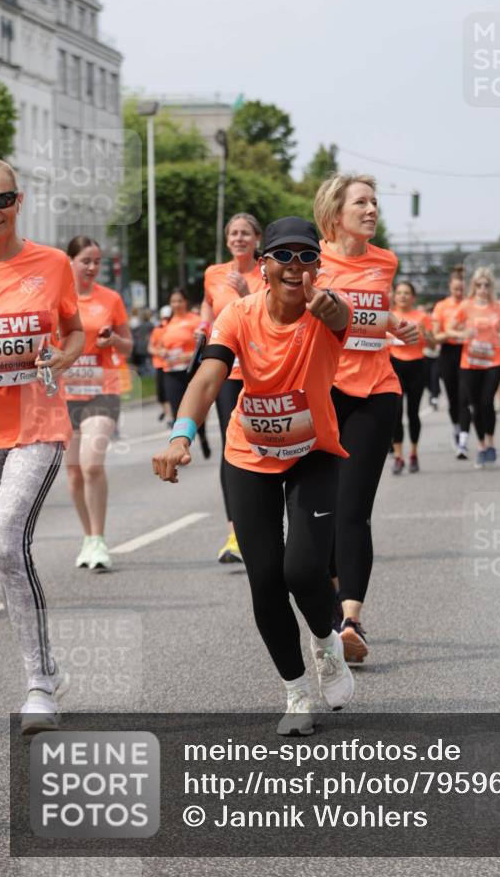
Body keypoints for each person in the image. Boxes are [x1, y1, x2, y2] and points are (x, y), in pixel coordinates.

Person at [153, 218, 354, 736]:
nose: (295, 267)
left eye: (307, 257)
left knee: (304, 571)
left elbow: (338, 313)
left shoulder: (326, 311)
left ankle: (328, 643)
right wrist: (181, 434)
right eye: (283, 255)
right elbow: (208, 375)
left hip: (313, 452)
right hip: (249, 454)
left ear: (319, 266)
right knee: (264, 579)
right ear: (262, 264)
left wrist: (329, 306)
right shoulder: (238, 315)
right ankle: (295, 693)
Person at [0, 158, 85, 734]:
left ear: (18, 201)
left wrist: (64, 356)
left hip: (36, 421)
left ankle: (38, 685)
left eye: (2, 200)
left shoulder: (51, 265)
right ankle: (49, 666)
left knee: (4, 544)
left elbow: (73, 331)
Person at [314, 174, 418, 664]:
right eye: (362, 202)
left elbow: (372, 317)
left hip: (377, 391)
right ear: (336, 213)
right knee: (325, 511)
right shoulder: (311, 263)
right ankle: (335, 598)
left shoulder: (385, 261)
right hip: (324, 393)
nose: (373, 210)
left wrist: (400, 325)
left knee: (354, 508)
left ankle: (350, 620)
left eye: (375, 202)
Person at [63, 236, 133, 572]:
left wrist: (114, 340)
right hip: (63, 396)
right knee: (74, 473)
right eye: (85, 261)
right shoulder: (55, 297)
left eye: (97, 261)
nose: (92, 267)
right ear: (70, 262)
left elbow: (130, 347)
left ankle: (100, 538)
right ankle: (88, 537)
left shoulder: (112, 299)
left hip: (102, 390)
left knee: (91, 464)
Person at [199, 214, 264, 564]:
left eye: (245, 233)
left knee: (265, 443)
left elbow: (272, 313)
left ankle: (267, 523)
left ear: (257, 239)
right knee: (231, 446)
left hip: (262, 370)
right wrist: (202, 325)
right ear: (227, 241)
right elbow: (209, 303)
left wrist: (245, 292)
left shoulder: (266, 272)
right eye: (233, 234)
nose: (238, 238)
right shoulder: (214, 273)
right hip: (228, 371)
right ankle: (235, 533)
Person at [446, 267, 500, 469]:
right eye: (479, 285)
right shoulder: (466, 305)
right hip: (470, 362)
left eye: (486, 285)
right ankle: (481, 446)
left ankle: (491, 443)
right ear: (473, 287)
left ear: (491, 287)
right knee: (475, 406)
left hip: (492, 361)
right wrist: (463, 334)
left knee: (487, 402)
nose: (482, 289)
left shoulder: (499, 308)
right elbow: (449, 329)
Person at [158, 289, 211, 458]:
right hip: (171, 371)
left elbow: (205, 344)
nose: (176, 304)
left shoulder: (195, 321)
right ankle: (179, 448)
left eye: (179, 301)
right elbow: (158, 346)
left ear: (185, 302)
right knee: (176, 410)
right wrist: (162, 352)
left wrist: (189, 355)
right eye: (173, 301)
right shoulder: (167, 325)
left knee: (196, 408)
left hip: (191, 370)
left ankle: (202, 435)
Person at [389, 280, 435, 473]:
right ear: (395, 296)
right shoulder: (388, 316)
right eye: (399, 292)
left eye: (407, 293)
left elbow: (433, 345)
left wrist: (427, 335)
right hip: (394, 366)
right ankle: (398, 457)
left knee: (413, 413)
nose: (402, 296)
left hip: (417, 366)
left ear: (413, 297)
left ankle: (414, 453)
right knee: (396, 414)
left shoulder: (422, 316)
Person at [432, 268, 467, 457]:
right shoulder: (441, 307)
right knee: (453, 398)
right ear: (450, 288)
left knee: (465, 398)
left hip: (468, 352)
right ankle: (456, 428)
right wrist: (452, 332)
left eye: (462, 289)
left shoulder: (471, 306)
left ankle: (464, 438)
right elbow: (436, 337)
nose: (459, 293)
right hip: (448, 352)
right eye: (456, 289)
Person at [148, 306, 172, 423]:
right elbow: (150, 347)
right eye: (164, 318)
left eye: (168, 318)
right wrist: (158, 352)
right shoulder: (157, 330)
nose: (165, 321)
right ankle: (166, 411)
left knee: (169, 393)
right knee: (160, 395)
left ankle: (170, 416)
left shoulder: (175, 328)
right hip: (159, 364)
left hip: (172, 365)